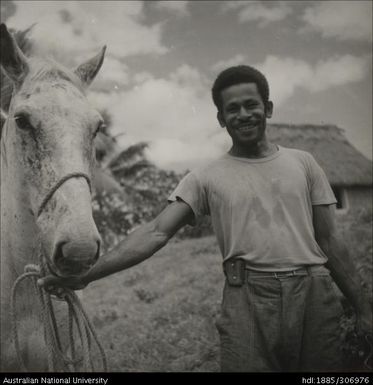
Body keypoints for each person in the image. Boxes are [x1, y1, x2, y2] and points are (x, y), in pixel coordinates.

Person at [39, 65, 372, 372]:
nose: (244, 114)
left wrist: (362, 307)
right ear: (221, 118)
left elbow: (330, 239)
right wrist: (87, 275)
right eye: (233, 109)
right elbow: (155, 232)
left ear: (267, 109)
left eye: (251, 105)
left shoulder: (305, 163)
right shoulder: (205, 177)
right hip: (248, 301)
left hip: (314, 293)